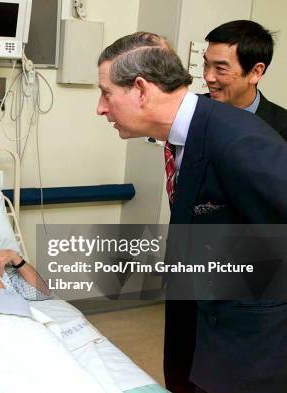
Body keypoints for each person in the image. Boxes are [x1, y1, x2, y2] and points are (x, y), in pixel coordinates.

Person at [96, 32, 287, 393]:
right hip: (199, 319)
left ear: (140, 89)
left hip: (249, 346)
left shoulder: (238, 142)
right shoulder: (191, 133)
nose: (101, 107)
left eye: (106, 93)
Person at [204, 20, 287, 140]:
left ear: (255, 72)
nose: (208, 77)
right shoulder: (194, 110)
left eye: (220, 68)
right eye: (206, 64)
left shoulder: (282, 128)